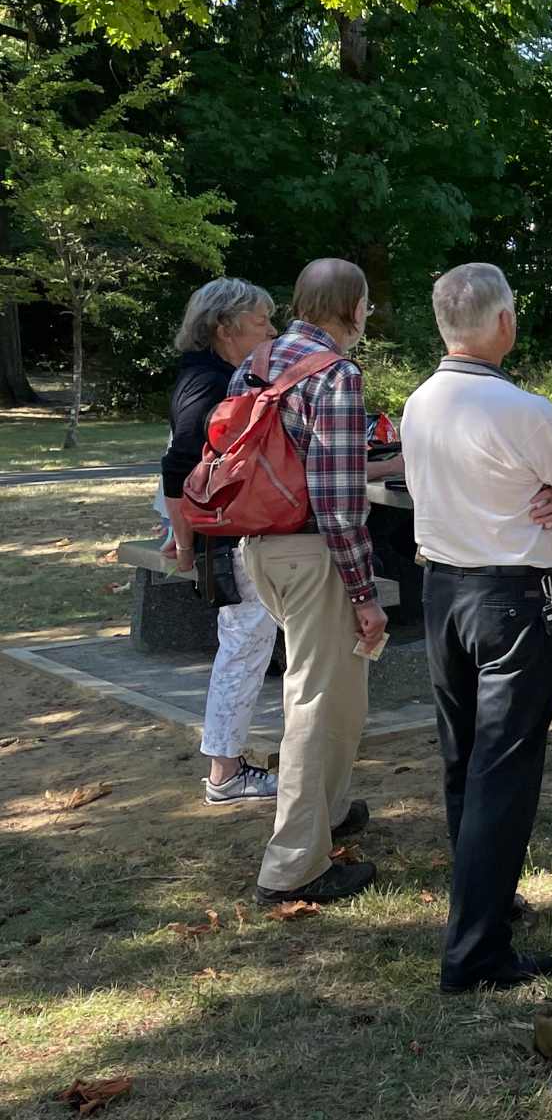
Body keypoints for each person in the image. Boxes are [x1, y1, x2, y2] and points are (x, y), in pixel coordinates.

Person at [402, 263, 552, 993]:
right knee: (503, 772)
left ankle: (482, 903)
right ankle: (477, 949)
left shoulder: (419, 402)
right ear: (504, 322)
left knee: (463, 760)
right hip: (511, 596)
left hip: (443, 589)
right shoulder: (525, 409)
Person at [232, 258, 387, 906]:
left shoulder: (257, 361)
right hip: (312, 552)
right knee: (317, 701)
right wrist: (364, 593)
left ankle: (327, 813)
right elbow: (339, 503)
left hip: (258, 546)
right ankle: (295, 865)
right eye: (366, 305)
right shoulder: (337, 374)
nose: (367, 316)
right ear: (351, 307)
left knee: (336, 690)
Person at [161, 278, 281, 805]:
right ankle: (226, 772)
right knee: (245, 643)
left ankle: (228, 767)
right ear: (224, 327)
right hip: (225, 540)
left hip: (226, 535)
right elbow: (176, 465)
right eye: (261, 321)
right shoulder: (207, 383)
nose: (272, 331)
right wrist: (184, 543)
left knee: (248, 642)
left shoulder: (221, 376)